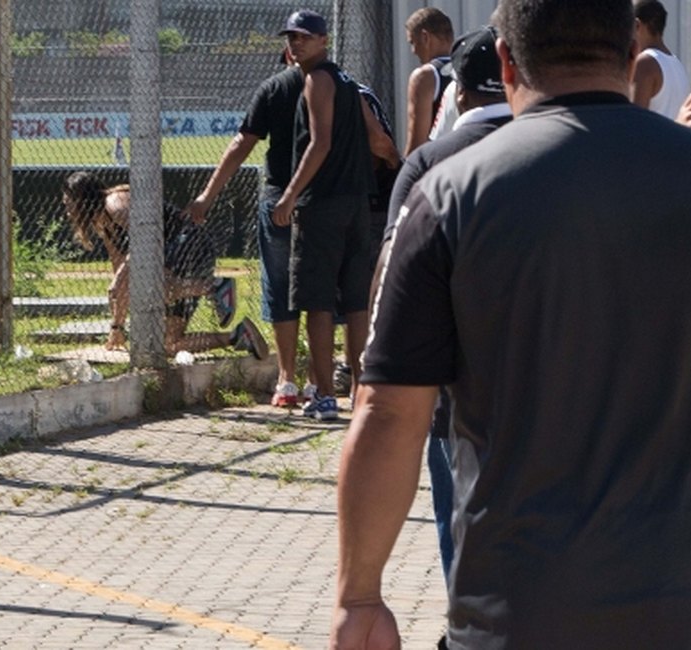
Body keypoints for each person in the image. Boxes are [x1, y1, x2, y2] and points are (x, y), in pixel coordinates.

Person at [333, 0, 691, 647]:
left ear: (507, 64)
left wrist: (360, 596)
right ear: (634, 56)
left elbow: (388, 415)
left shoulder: (448, 197)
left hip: (518, 616)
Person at [185, 48, 398, 408]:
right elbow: (377, 139)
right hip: (336, 200)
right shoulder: (347, 87)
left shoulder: (274, 88)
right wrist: (399, 164)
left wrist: (207, 196)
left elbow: (242, 143)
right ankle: (322, 382)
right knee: (334, 294)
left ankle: (287, 379)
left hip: (284, 197)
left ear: (287, 54)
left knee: (286, 288)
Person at [381, 24, 513, 587]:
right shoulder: (568, 152)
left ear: (458, 91)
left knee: (458, 527)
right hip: (548, 390)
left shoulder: (431, 164)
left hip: (451, 394)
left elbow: (391, 287)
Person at [273, 9, 371, 421]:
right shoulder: (349, 81)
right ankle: (363, 392)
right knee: (356, 302)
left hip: (323, 203)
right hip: (357, 203)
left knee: (316, 300)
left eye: (304, 37)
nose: (296, 44)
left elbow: (320, 142)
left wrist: (290, 195)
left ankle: (326, 395)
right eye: (292, 37)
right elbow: (377, 136)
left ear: (323, 40)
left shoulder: (316, 80)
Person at [61, 171, 268, 360]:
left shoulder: (115, 203)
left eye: (68, 200)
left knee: (152, 290)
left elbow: (147, 241)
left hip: (187, 242)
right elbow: (119, 275)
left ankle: (213, 287)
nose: (66, 206)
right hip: (170, 259)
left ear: (81, 198)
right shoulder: (104, 225)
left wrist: (121, 282)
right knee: (168, 344)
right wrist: (117, 325)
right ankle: (237, 336)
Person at [402, 7, 455, 155]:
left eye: (413, 42)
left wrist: (405, 174)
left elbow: (417, 145)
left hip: (439, 168)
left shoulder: (426, 76)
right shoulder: (469, 69)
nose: (413, 51)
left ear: (425, 37)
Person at [631, 0, 689, 118]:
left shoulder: (645, 62)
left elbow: (634, 119)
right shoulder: (677, 64)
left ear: (637, 25)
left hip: (650, 137)